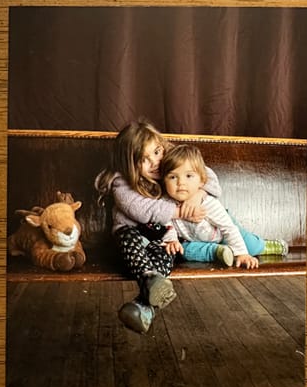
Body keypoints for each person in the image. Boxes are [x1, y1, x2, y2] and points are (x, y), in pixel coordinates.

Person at [95, 120, 222, 334]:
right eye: (144, 160)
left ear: (162, 146)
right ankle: (148, 278)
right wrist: (181, 212)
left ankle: (143, 305)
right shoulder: (120, 182)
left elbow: (209, 177)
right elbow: (141, 210)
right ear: (129, 165)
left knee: (167, 252)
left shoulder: (171, 161)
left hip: (162, 235)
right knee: (129, 240)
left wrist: (199, 193)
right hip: (131, 235)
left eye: (156, 151)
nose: (155, 162)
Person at [159, 143, 288, 269]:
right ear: (164, 181)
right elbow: (167, 225)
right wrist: (172, 240)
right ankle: (219, 252)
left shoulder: (207, 202)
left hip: (223, 235)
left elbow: (228, 228)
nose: (181, 182)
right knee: (183, 251)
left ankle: (265, 245)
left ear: (202, 181)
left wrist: (242, 254)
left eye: (188, 176)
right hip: (198, 241)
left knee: (251, 247)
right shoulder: (166, 204)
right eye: (173, 177)